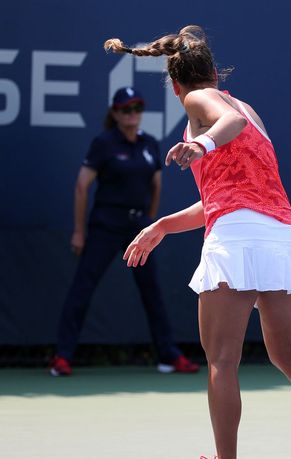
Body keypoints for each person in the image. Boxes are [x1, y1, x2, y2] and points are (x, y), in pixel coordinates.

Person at [103, 25, 291, 459]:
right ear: (212, 72)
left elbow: (228, 129)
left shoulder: (202, 102)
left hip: (240, 238)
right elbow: (223, 197)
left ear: (177, 84)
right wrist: (162, 225)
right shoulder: (250, 109)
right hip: (282, 236)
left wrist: (199, 144)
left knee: (222, 361)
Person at [49, 87, 199, 377]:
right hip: (105, 226)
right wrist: (79, 232)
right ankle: (62, 357)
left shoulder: (150, 145)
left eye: (137, 108)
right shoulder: (103, 143)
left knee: (152, 293)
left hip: (137, 228)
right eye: (126, 109)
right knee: (82, 289)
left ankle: (169, 356)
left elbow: (156, 186)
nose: (133, 114)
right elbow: (82, 186)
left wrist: (149, 223)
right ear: (116, 113)